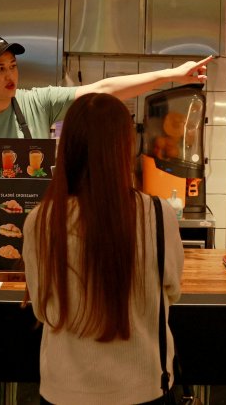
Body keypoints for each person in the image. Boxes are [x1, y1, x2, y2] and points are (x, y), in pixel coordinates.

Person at [22, 93, 184, 405]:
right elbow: (172, 290)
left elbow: (42, 309)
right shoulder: (158, 214)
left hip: (63, 390)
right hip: (144, 388)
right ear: (125, 146)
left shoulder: (41, 220)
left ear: (68, 145)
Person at [0, 32, 212, 139]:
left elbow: (104, 90)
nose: (10, 75)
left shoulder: (37, 103)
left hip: (38, 231)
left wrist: (172, 74)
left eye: (13, 66)